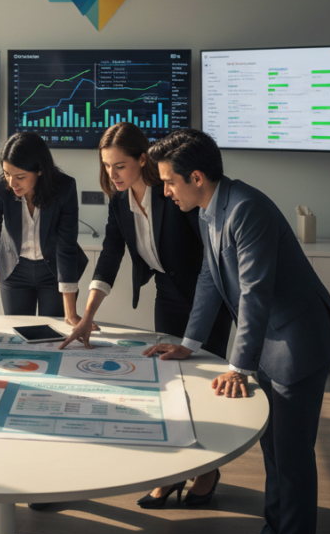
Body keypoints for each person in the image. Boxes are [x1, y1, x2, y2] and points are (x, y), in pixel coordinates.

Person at [143, 128, 330, 534]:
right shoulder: (209, 210)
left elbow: (255, 292)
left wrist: (239, 367)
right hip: (274, 341)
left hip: (298, 341)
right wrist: (190, 342)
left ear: (196, 177)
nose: (164, 190)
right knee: (273, 452)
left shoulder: (245, 208)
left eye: (168, 181)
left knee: (291, 458)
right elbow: (209, 278)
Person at [59, 122, 232, 508]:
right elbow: (110, 255)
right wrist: (86, 316)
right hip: (168, 294)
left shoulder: (172, 192)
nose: (111, 174)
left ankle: (207, 470)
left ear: (142, 159)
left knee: (201, 384)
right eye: (106, 166)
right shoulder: (119, 202)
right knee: (167, 382)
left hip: (207, 295)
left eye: (119, 166)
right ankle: (172, 473)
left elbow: (208, 256)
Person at [0, 132, 88, 336]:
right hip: (14, 272)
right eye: (7, 173)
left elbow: (66, 245)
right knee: (20, 336)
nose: (12, 183)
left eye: (20, 177)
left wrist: (71, 313)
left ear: (40, 170)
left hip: (54, 272)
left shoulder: (64, 187)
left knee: (55, 335)